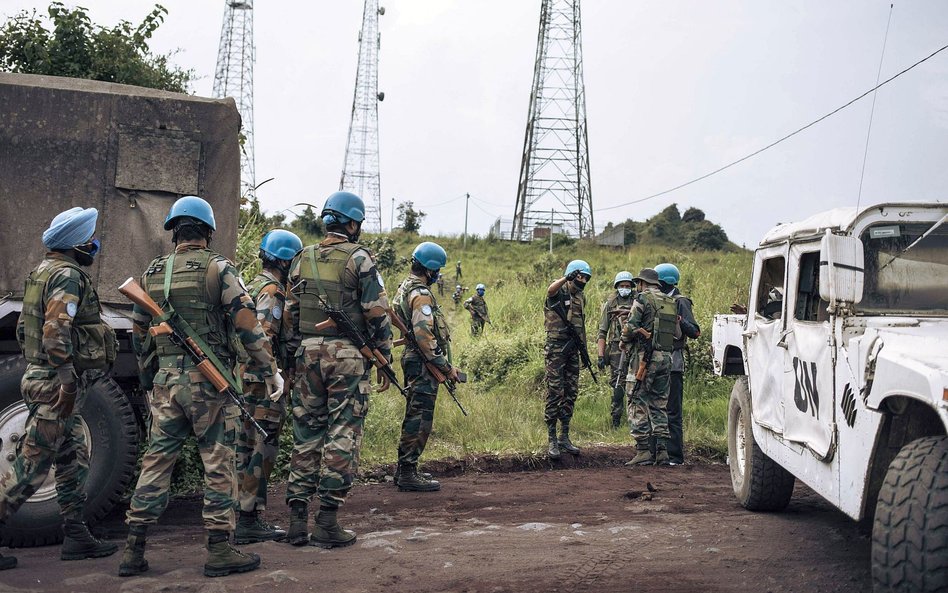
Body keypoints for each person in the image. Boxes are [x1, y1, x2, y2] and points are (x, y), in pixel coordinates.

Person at [120, 196, 280, 578]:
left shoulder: (152, 272)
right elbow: (246, 324)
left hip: (166, 383)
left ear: (174, 231)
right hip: (209, 383)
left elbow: (139, 334)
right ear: (208, 231)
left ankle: (133, 549)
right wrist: (270, 368)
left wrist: (148, 380)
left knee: (157, 460)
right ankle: (220, 550)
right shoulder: (219, 268)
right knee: (218, 461)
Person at [0, 207, 117, 571]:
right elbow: (55, 332)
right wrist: (66, 380)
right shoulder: (67, 275)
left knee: (73, 460)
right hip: (55, 382)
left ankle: (76, 535)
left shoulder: (41, 272)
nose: (94, 247)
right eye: (90, 241)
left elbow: (25, 329)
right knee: (33, 463)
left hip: (45, 377)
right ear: (76, 244)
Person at [283, 191, 393, 548]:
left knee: (306, 434)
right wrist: (383, 357)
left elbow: (291, 315)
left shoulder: (302, 258)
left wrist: (293, 358)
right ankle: (327, 521)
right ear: (351, 223)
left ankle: (297, 521)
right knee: (342, 431)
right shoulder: (360, 259)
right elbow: (377, 313)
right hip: (347, 355)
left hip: (306, 354)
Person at [234, 229, 303, 544]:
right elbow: (264, 335)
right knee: (264, 444)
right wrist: (274, 374)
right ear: (286, 261)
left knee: (246, 445)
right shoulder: (273, 291)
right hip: (264, 381)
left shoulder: (255, 284)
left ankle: (242, 513)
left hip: (249, 377)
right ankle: (248, 518)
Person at [392, 242, 459, 491]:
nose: (438, 275)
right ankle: (408, 472)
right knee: (420, 418)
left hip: (416, 359)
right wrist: (444, 366)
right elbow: (424, 335)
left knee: (414, 414)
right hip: (422, 362)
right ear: (430, 270)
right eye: (437, 270)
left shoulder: (405, 286)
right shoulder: (420, 294)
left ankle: (405, 469)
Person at [621, 268, 680, 466]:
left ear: (642, 283)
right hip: (666, 358)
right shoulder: (671, 301)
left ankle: (643, 450)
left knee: (635, 399)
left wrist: (624, 338)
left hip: (644, 358)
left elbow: (630, 327)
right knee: (659, 403)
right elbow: (677, 334)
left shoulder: (642, 298)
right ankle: (662, 451)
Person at [543, 260, 592, 459]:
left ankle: (565, 436)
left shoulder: (581, 297)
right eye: (580, 276)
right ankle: (552, 438)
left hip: (573, 349)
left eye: (586, 278)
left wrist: (585, 353)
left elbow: (582, 326)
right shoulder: (559, 291)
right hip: (556, 349)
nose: (583, 280)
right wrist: (566, 278)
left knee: (571, 392)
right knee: (556, 391)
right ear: (572, 275)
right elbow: (550, 291)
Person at [653, 263, 700, 466]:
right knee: (655, 409)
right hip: (658, 361)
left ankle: (675, 456)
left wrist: (680, 321)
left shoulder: (681, 302)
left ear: (665, 282)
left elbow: (695, 332)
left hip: (674, 362)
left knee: (672, 411)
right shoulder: (659, 300)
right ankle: (658, 453)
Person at [596, 271, 635, 429]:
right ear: (617, 287)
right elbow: (602, 331)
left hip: (634, 347)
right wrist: (600, 355)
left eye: (627, 286)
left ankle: (635, 420)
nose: (624, 288)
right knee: (618, 385)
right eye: (621, 286)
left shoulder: (638, 302)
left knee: (634, 384)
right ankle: (616, 420)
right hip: (615, 349)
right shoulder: (610, 304)